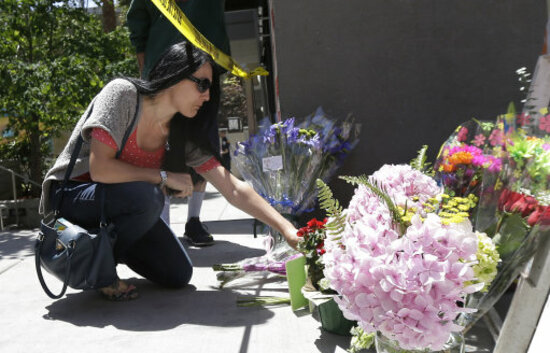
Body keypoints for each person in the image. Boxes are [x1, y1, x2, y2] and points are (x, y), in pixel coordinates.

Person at [39, 43, 299, 301]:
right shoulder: (123, 95)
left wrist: (287, 230)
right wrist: (164, 177)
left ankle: (111, 249)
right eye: (202, 84)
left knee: (178, 273)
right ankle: (101, 272)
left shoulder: (181, 131)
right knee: (150, 196)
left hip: (122, 207)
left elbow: (232, 187)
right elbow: (100, 169)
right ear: (175, 74)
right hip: (73, 197)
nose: (207, 96)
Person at [127, 0, 230, 246]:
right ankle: (162, 225)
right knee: (162, 151)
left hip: (205, 69)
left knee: (204, 147)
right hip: (164, 73)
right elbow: (137, 24)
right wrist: (147, 74)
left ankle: (194, 220)